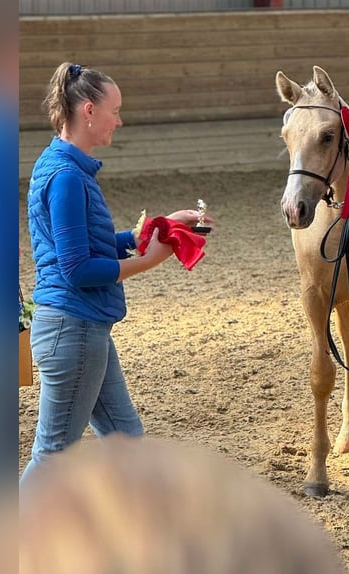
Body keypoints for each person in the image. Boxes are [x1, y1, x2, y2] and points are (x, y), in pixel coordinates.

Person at [21, 62, 213, 482]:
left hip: (81, 330)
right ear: (89, 110)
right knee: (53, 457)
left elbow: (84, 243)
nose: (120, 120)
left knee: (124, 437)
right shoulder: (68, 176)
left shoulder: (58, 164)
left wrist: (153, 229)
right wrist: (151, 258)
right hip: (73, 328)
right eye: (115, 110)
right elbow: (78, 269)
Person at [19, 435, 347, 574]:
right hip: (81, 324)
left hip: (96, 324)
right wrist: (118, 283)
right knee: (53, 448)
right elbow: (81, 284)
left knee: (128, 434)